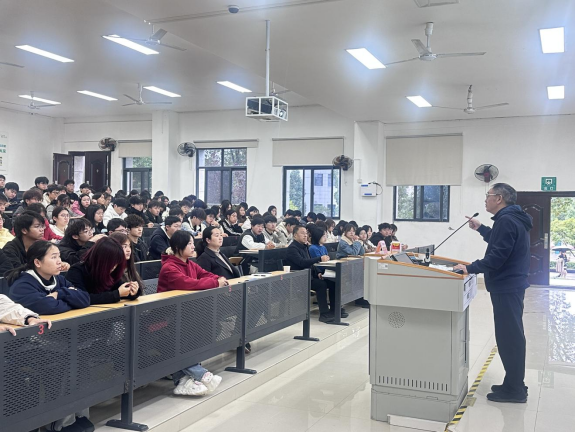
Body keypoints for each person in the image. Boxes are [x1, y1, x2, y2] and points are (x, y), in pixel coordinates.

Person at [454, 183, 532, 404]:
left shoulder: (506, 220)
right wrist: (481, 228)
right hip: (511, 285)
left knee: (509, 337)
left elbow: (497, 257)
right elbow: (500, 243)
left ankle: (515, 389)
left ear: (499, 198)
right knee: (511, 335)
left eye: (488, 195)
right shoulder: (513, 218)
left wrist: (470, 268)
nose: (485, 199)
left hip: (507, 285)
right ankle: (513, 383)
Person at [156, 230, 224, 396]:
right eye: (189, 244)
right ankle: (199, 374)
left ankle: (184, 380)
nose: (193, 246)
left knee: (206, 328)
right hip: (166, 317)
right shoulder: (169, 267)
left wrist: (216, 279)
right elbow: (190, 284)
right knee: (187, 335)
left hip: (186, 314)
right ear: (178, 247)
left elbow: (205, 274)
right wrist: (215, 282)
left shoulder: (189, 263)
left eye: (193, 243)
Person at [8, 241, 90, 314]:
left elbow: (85, 299)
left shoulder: (59, 279)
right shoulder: (22, 285)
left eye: (59, 256)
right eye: (54, 257)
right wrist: (72, 301)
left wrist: (58, 294)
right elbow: (48, 307)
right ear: (37, 262)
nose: (59, 261)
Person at [284, 225, 337, 323]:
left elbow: (311, 263)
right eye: (302, 233)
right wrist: (319, 258)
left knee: (332, 282)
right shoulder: (292, 248)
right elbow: (302, 262)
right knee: (321, 285)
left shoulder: (305, 247)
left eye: (306, 233)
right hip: (299, 277)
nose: (305, 235)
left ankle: (334, 310)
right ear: (295, 235)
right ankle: (324, 314)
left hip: (309, 276)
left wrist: (318, 273)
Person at [66, 236, 141, 305]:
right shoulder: (76, 271)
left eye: (117, 263)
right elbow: (81, 298)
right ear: (101, 260)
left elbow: (119, 289)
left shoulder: (114, 270)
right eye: (112, 263)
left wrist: (132, 291)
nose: (114, 267)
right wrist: (117, 294)